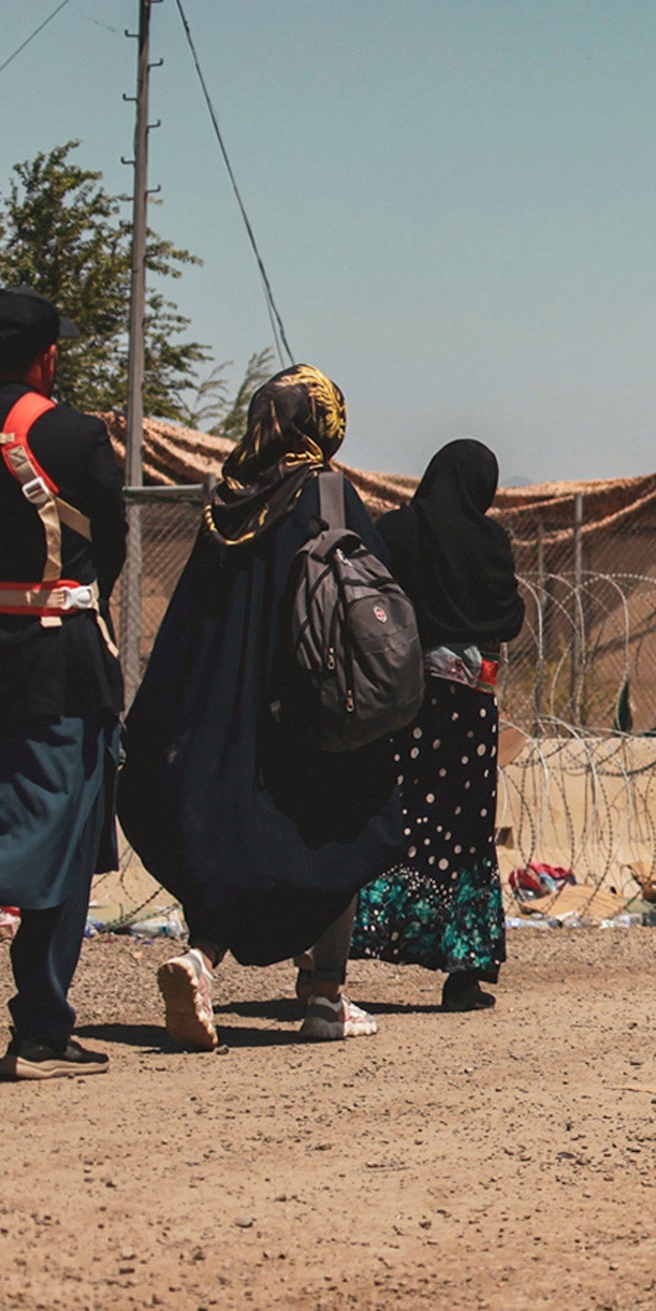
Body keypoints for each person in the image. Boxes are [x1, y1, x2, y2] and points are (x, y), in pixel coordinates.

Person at [121, 367, 404, 1045]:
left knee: (236, 840)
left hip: (225, 712)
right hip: (310, 705)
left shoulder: (228, 502)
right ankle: (326, 998)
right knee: (345, 828)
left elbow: (194, 616)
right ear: (319, 423)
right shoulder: (327, 492)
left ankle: (201, 959)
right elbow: (371, 586)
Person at [0, 289, 124, 1078]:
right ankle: (41, 1027)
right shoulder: (78, 437)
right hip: (53, 671)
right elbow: (109, 547)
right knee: (60, 838)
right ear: (48, 357)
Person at [349, 440, 526, 1010]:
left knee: (391, 811)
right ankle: (463, 974)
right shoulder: (493, 543)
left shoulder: (401, 530)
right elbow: (511, 616)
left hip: (408, 704)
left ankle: (338, 959)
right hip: (472, 712)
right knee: (466, 830)